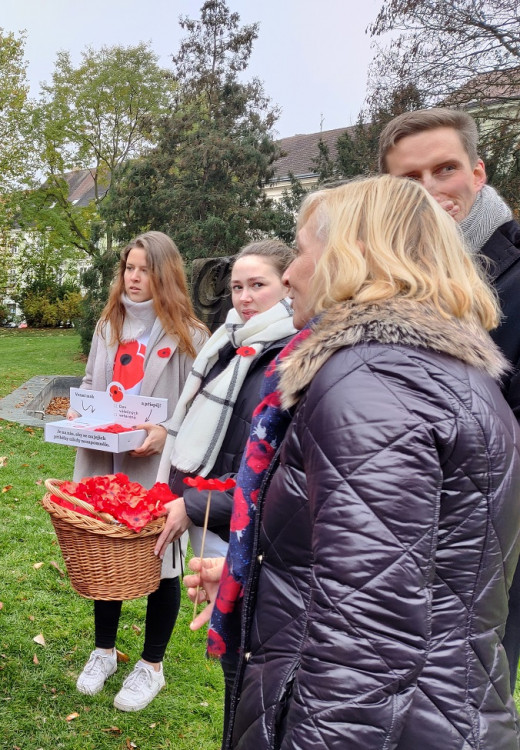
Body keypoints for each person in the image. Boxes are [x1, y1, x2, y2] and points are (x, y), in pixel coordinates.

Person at [197, 176, 520, 749]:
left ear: (355, 254)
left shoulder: (373, 381)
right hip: (441, 709)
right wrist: (268, 573)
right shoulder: (444, 370)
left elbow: (369, 632)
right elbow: (420, 566)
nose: (290, 273)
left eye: (300, 250)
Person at [378, 107, 520, 687]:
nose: (431, 190)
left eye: (445, 169)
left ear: (478, 172)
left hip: (485, 542)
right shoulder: (388, 279)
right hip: (394, 529)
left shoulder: (512, 269)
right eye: (409, 180)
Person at [151, 240, 296, 730]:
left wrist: (192, 503)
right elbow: (191, 423)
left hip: (245, 522)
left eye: (259, 285)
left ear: (288, 283)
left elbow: (272, 464)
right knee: (233, 644)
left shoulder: (289, 353)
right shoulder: (226, 343)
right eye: (237, 286)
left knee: (248, 649)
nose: (245, 297)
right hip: (211, 508)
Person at [69, 231, 209, 712]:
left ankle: (151, 665)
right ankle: (103, 652)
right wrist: (80, 412)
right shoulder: (109, 324)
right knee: (105, 553)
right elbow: (91, 383)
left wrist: (164, 431)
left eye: (145, 268)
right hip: (104, 464)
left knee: (159, 560)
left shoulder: (192, 335)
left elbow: (199, 412)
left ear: (165, 274)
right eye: (129, 267)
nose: (134, 277)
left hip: (156, 469)